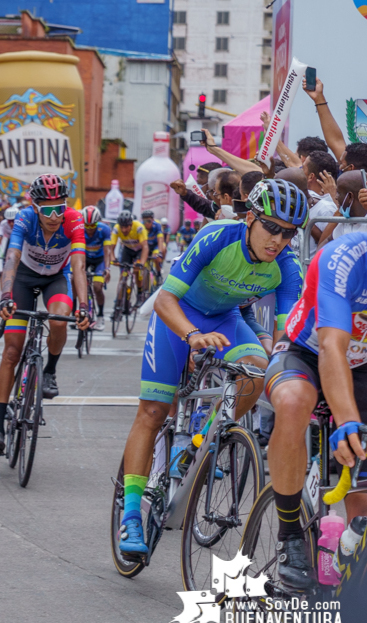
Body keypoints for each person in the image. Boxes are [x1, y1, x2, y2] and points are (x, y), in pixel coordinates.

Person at [117, 179, 306, 559]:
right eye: (271, 227)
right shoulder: (217, 235)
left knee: (255, 370)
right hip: (179, 316)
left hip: (224, 318)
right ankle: (132, 513)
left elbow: (289, 331)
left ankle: (201, 439)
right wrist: (191, 336)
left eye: (288, 233)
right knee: (153, 411)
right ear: (250, 218)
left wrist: (284, 362)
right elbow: (165, 300)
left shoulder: (286, 265)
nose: (278, 240)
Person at [265, 229, 367, 592]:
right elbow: (330, 347)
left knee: (362, 494)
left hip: (362, 366)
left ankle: (351, 575)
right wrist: (347, 419)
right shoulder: (343, 258)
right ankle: (290, 535)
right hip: (305, 351)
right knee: (292, 402)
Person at [0, 174, 90, 455]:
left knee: (59, 320)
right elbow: (11, 258)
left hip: (56, 279)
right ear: (35, 207)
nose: (55, 215)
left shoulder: (73, 220)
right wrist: (6, 295)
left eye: (60, 207)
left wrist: (84, 305)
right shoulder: (24, 219)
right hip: (23, 279)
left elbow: (79, 266)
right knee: (11, 352)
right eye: (48, 210)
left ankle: (49, 371)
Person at [81, 205, 113, 328]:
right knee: (75, 281)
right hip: (86, 258)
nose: (89, 228)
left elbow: (107, 251)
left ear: (98, 223)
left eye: (92, 225)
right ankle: (78, 313)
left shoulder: (104, 230)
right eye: (86, 225)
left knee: (97, 287)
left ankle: (100, 316)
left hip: (99, 260)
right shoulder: (79, 229)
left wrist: (107, 269)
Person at [112, 210, 150, 301]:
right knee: (123, 274)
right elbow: (111, 247)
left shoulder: (139, 228)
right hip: (127, 250)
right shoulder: (116, 228)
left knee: (137, 270)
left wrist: (141, 263)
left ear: (131, 224)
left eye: (126, 227)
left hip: (139, 250)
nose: (124, 230)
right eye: (122, 227)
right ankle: (118, 301)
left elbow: (145, 247)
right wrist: (113, 259)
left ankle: (140, 293)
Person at [140, 210, 166, 284]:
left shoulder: (157, 225)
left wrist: (160, 252)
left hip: (155, 245)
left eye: (148, 221)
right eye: (144, 221)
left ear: (153, 220)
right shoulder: (141, 227)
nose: (146, 223)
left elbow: (160, 240)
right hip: (146, 247)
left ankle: (158, 274)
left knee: (156, 257)